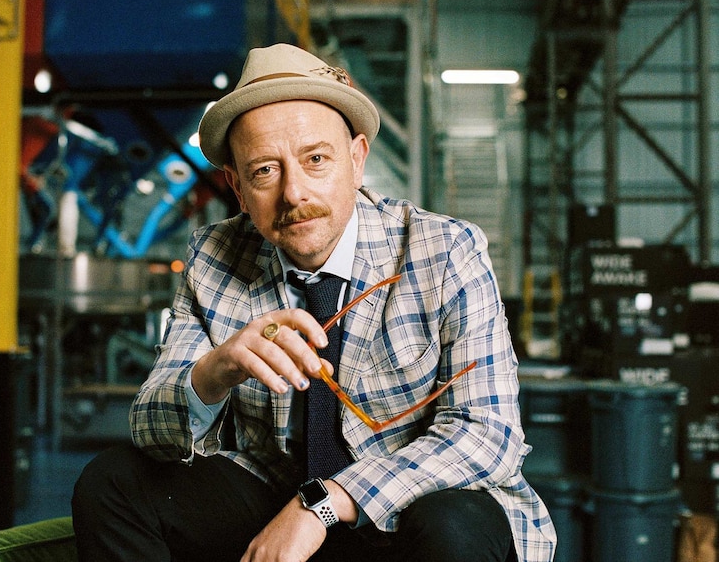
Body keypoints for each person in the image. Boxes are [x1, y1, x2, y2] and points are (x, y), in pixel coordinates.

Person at [72, 43, 557, 562]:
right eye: (264, 171)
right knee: (113, 484)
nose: (294, 193)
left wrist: (323, 503)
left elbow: (487, 436)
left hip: (403, 510)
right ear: (237, 187)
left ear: (356, 159)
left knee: (454, 527)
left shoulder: (445, 251)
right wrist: (215, 370)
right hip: (273, 495)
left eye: (316, 159)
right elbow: (150, 430)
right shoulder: (215, 257)